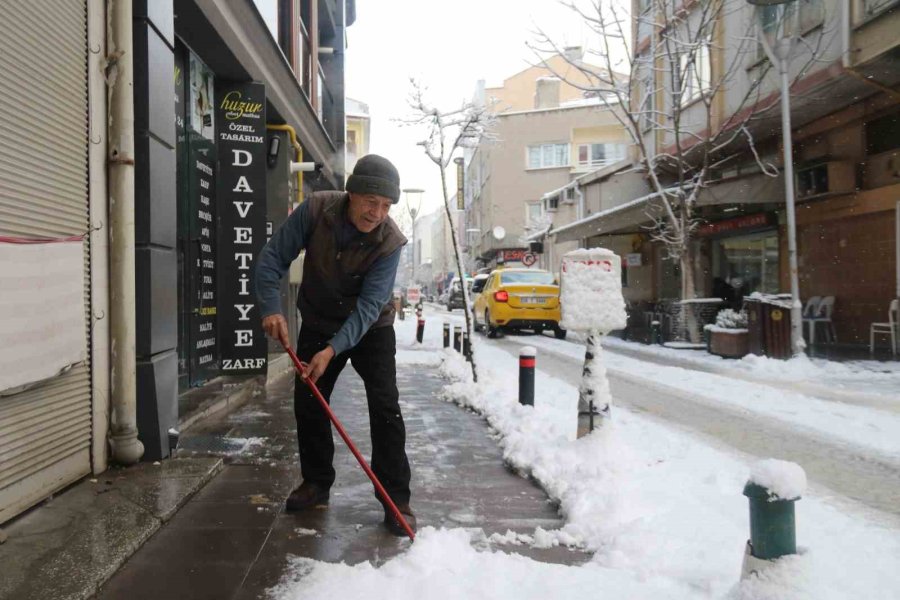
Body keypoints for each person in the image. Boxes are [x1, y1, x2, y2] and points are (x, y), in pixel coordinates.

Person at [254, 154, 415, 536]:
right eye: (371, 202)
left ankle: (396, 498)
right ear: (352, 194)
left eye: (386, 206)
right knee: (309, 400)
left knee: (385, 405)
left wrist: (330, 351)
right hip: (319, 318)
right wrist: (271, 308)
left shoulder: (390, 242)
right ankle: (316, 482)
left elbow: (368, 308)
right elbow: (273, 257)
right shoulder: (316, 210)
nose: (377, 213)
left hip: (370, 327)